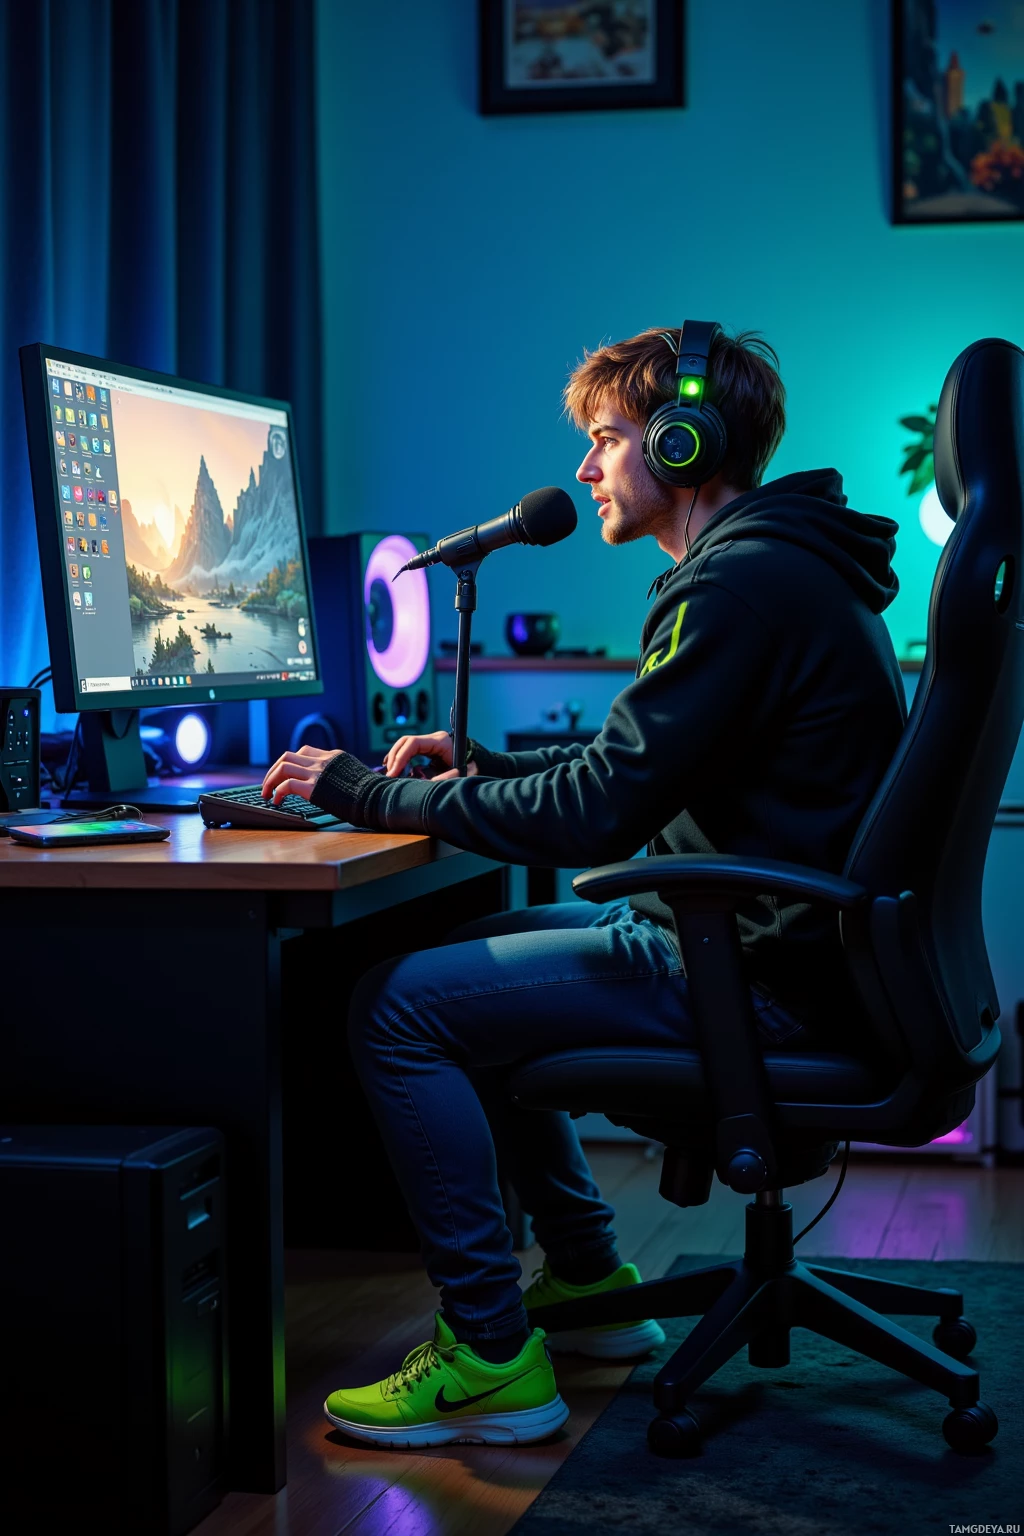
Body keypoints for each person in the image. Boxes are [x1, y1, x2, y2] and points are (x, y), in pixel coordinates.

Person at [261, 324, 907, 1449]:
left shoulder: (738, 590)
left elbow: (600, 812)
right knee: (480, 961)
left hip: (755, 976)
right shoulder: (778, 567)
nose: (585, 466)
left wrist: (365, 791)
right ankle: (585, 1277)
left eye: (607, 438)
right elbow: (633, 776)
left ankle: (489, 1355)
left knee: (397, 1008)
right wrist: (486, 767)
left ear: (682, 440)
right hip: (783, 950)